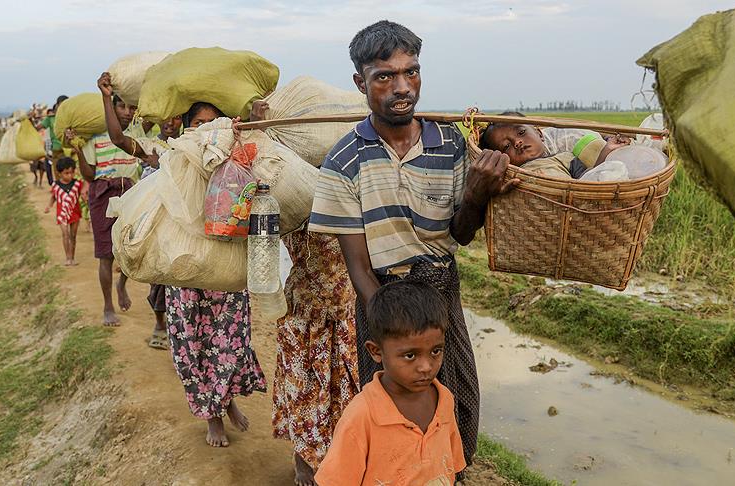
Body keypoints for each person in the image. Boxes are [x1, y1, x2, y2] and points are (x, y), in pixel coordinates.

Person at [307, 20, 514, 474]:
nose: (402, 87)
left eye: (411, 72)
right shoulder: (343, 160)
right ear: (360, 82)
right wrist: (389, 325)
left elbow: (460, 233)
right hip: (382, 295)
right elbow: (358, 267)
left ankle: (445, 475)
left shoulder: (450, 143)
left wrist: (477, 191)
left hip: (440, 289)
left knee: (458, 404)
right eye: (385, 76)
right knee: (386, 412)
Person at [252, 99, 360, 486]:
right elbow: (265, 171)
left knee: (341, 390)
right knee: (305, 387)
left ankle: (335, 460)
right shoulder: (296, 195)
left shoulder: (349, 190)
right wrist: (263, 128)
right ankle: (303, 460)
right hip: (305, 308)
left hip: (345, 309)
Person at [164, 101, 266, 448]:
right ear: (186, 128)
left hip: (225, 265)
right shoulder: (177, 158)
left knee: (230, 342)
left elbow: (261, 185)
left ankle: (227, 400)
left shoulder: (236, 161)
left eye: (213, 123)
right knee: (193, 343)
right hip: (188, 269)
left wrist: (256, 125)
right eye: (198, 124)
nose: (206, 130)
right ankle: (213, 417)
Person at [315, 280, 465, 485]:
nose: (426, 367)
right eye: (410, 355)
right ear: (376, 351)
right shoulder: (362, 416)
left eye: (435, 351)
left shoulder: (444, 399)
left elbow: (450, 467)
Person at [96, 71, 181, 349]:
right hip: (152, 221)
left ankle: (179, 332)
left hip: (181, 223)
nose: (170, 122)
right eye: (166, 118)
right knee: (156, 276)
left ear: (185, 121)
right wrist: (107, 99)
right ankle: (159, 324)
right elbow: (119, 139)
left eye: (177, 117)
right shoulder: (151, 148)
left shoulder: (187, 148)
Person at [64, 86, 139, 326]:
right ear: (112, 108)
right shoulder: (96, 136)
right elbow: (88, 175)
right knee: (105, 255)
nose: (127, 112)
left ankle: (122, 285)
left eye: (131, 107)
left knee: (131, 250)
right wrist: (78, 152)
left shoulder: (138, 132)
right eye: (121, 106)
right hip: (102, 195)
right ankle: (108, 306)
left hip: (131, 193)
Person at [479, 111, 631, 179]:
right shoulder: (512, 174)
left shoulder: (565, 158)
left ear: (539, 133)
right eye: (506, 146)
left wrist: (607, 150)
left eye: (521, 133)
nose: (517, 142)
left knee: (614, 170)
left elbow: (589, 180)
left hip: (570, 203)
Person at [44, 157, 84, 266]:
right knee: (65, 234)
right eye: (66, 173)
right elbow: (54, 197)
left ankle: (73, 257)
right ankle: (68, 258)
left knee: (73, 235)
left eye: (71, 173)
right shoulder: (56, 185)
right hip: (61, 214)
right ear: (59, 173)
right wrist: (49, 206)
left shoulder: (77, 184)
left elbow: (83, 195)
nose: (69, 176)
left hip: (75, 213)